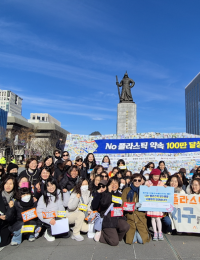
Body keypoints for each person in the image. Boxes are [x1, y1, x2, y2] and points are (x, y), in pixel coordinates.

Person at [92, 176, 130, 246]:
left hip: (117, 217)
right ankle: (102, 234)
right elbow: (104, 203)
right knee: (114, 242)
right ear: (109, 184)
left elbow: (123, 205)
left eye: (116, 183)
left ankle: (114, 236)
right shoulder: (105, 193)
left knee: (125, 226)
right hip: (108, 219)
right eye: (112, 183)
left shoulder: (120, 194)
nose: (114, 185)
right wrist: (109, 192)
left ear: (119, 185)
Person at [36, 177, 70, 242]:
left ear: (55, 185)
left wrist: (66, 193)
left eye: (52, 185)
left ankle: (54, 232)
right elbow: (39, 212)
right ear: (46, 187)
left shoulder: (60, 193)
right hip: (50, 219)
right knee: (52, 237)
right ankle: (48, 232)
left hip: (60, 218)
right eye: (48, 186)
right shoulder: (43, 197)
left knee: (67, 235)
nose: (51, 188)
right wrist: (49, 220)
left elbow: (66, 204)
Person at [121, 173, 150, 244]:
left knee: (141, 240)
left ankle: (138, 231)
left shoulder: (145, 190)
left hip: (141, 218)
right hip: (130, 217)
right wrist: (133, 206)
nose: (137, 182)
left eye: (139, 180)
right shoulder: (126, 190)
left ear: (142, 181)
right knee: (131, 240)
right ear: (132, 181)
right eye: (135, 180)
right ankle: (135, 232)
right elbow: (123, 204)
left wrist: (164, 187)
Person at [145, 169, 164, 241]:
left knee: (158, 218)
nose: (156, 177)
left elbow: (164, 191)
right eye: (155, 175)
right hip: (151, 203)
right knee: (153, 218)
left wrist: (165, 187)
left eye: (157, 176)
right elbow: (144, 190)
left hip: (158, 204)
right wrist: (147, 187)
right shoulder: (148, 182)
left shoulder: (161, 183)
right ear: (152, 175)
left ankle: (160, 232)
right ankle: (155, 232)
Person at [0, 175, 17, 247]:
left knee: (4, 242)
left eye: (11, 184)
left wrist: (11, 208)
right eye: (6, 183)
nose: (8, 186)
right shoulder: (0, 195)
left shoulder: (16, 196)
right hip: (0, 221)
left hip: (9, 223)